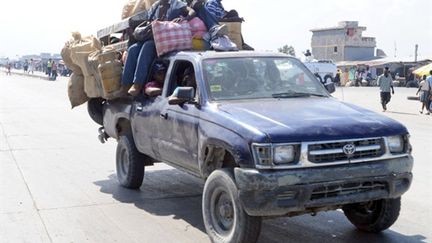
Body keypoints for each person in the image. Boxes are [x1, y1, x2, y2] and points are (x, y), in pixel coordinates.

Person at [121, 0, 196, 96]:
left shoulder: (176, 3)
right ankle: (125, 85)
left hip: (168, 38)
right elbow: (148, 20)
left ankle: (137, 84)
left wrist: (184, 19)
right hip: (155, 37)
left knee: (147, 46)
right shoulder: (155, 6)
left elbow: (192, 12)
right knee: (133, 49)